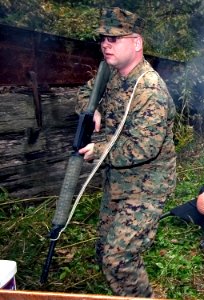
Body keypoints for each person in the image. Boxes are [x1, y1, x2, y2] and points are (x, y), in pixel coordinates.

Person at [75, 7, 176, 298]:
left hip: (147, 186)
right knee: (104, 250)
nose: (106, 44)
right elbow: (85, 93)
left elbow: (144, 147)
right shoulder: (111, 73)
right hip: (117, 180)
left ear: (136, 43)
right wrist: (90, 108)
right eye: (104, 38)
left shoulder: (150, 89)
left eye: (115, 38)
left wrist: (100, 149)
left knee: (118, 259)